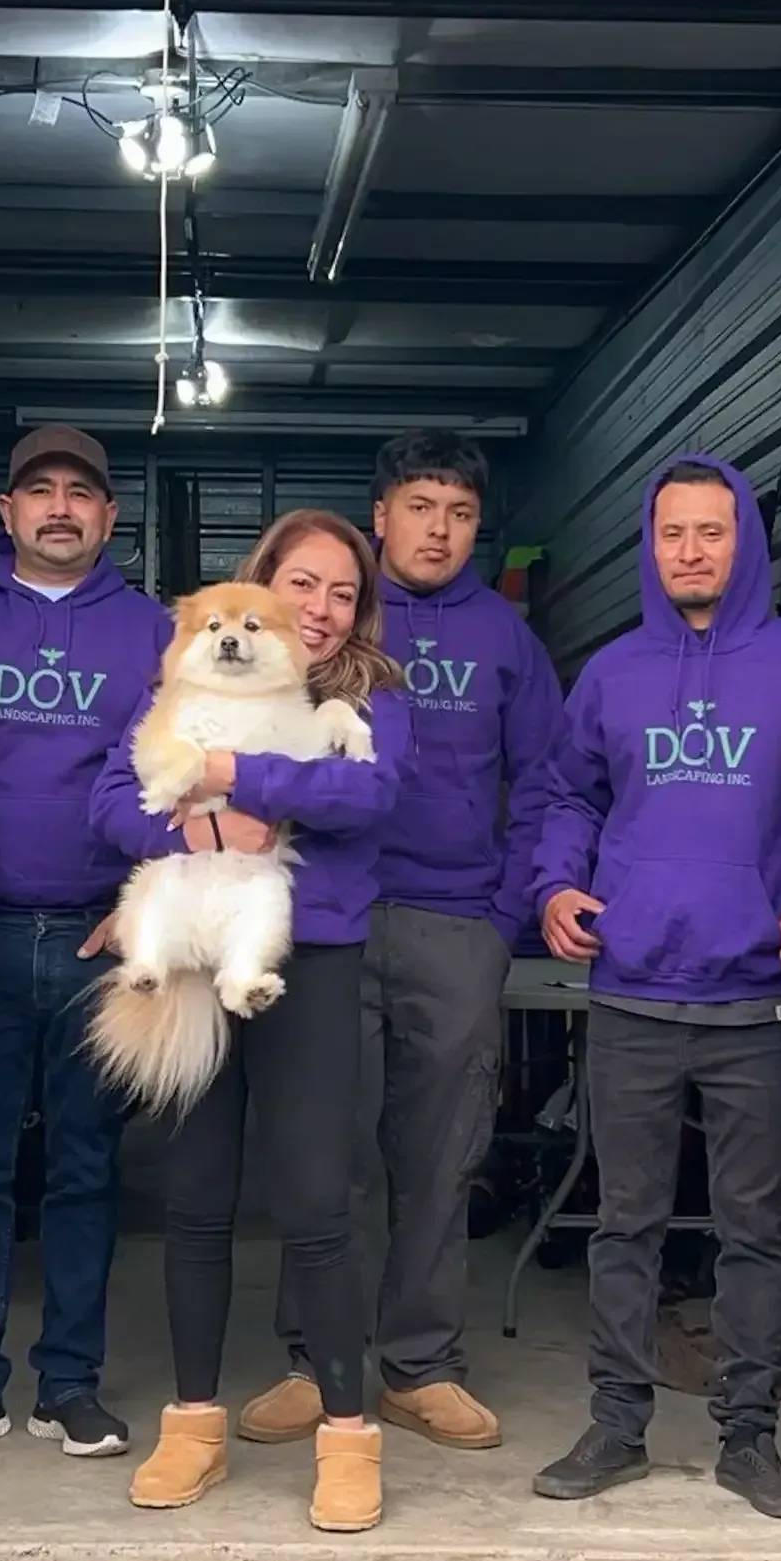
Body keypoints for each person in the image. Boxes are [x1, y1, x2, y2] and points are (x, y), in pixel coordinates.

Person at [530, 456, 781, 1518]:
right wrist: (556, 886)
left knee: (754, 1228)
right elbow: (567, 794)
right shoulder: (613, 673)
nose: (691, 552)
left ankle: (748, 1439)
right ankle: (616, 1426)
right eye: (672, 534)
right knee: (627, 1224)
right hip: (630, 993)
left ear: (745, 542)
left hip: (755, 999)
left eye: (712, 532)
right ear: (649, 544)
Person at [91, 510, 412, 1531]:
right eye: (303, 585)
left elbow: (362, 797)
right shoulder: (178, 689)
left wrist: (233, 777)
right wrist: (195, 818)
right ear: (266, 587)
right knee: (195, 1198)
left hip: (309, 960)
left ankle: (349, 1436)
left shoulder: (371, 699)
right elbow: (111, 797)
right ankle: (191, 1426)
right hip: (196, 951)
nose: (321, 609)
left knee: (319, 1203)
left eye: (343, 593)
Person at [245, 433, 562, 1454]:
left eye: (461, 512)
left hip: (452, 922)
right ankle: (312, 1357)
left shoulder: (508, 641)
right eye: (420, 506)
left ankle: (422, 1364)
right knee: (321, 1144)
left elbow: (547, 782)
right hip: (317, 915)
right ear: (379, 516)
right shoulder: (317, 624)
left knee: (440, 1152)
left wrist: (504, 911)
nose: (439, 529)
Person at [0, 428, 167, 1462]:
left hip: (105, 941)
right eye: (39, 491)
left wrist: (145, 900)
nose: (62, 508)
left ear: (109, 517)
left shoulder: (152, 633)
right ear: (6, 512)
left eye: (83, 495)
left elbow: (181, 780)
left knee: (86, 1168)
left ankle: (70, 1384)